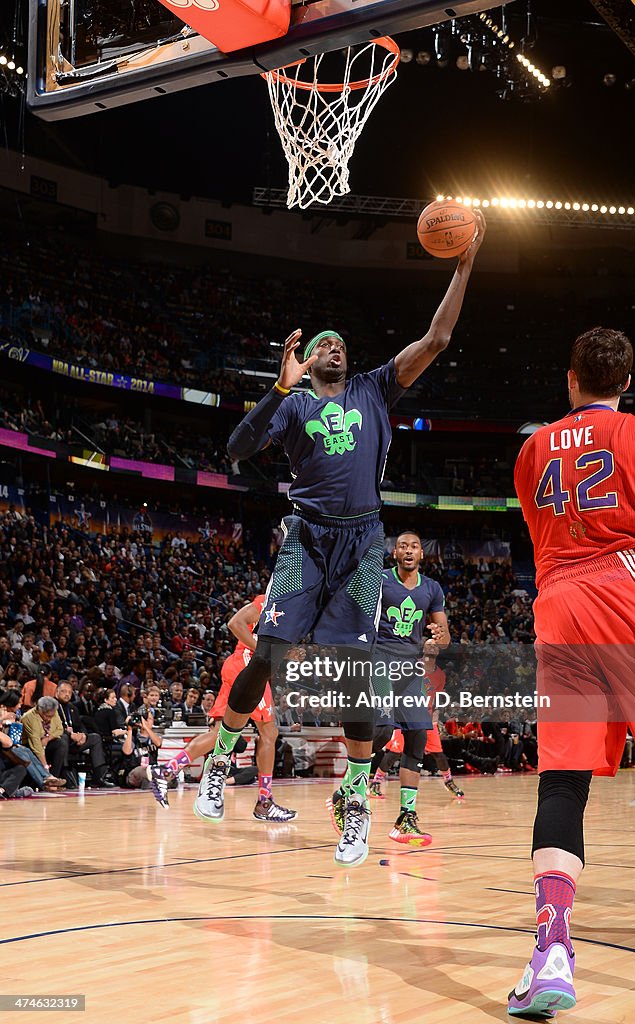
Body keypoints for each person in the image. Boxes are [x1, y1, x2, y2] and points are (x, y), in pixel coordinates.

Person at [194, 217, 486, 867]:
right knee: (266, 655)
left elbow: (437, 337)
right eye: (322, 341)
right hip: (304, 538)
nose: (333, 345)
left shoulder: (374, 388)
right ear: (306, 357)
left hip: (360, 546)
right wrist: (279, 385)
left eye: (340, 342)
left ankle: (353, 800)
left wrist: (464, 263)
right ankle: (218, 762)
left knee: (356, 682)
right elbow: (237, 449)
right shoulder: (294, 402)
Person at [509, 327, 635, 1017]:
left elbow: (539, 533)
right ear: (627, 383)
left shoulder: (530, 450)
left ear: (570, 380)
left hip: (558, 605)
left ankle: (550, 951)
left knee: (562, 783)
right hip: (630, 590)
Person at [148, 593, 296, 822]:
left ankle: (167, 770)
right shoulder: (270, 599)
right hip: (247, 664)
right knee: (269, 732)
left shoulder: (294, 609)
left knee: (219, 734)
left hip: (239, 665)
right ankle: (264, 801)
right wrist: (263, 652)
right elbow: (234, 623)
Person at [350, 532, 452, 847]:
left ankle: (406, 818)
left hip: (409, 669)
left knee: (418, 737)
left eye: (415, 546)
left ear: (422, 554)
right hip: (379, 661)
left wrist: (438, 636)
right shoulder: (379, 580)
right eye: (403, 546)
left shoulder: (432, 589)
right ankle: (348, 794)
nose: (409, 550)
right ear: (394, 553)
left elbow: (444, 636)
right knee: (381, 729)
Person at [369, 644, 464, 808]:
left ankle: (449, 781)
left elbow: (435, 696)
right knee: (395, 752)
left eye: (434, 646)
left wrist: (436, 714)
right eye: (429, 645)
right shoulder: (412, 666)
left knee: (438, 754)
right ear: (423, 649)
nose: (432, 648)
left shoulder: (440, 675)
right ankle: (375, 783)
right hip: (405, 714)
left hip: (426, 718)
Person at [56, 682, 115, 787]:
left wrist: (83, 735)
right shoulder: (52, 706)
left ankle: (98, 776)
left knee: (95, 738)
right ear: (57, 692)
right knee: (64, 738)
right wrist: (69, 735)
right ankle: (65, 774)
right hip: (59, 741)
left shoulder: (73, 708)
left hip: (75, 741)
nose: (67, 694)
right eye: (64, 691)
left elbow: (80, 725)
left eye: (69, 692)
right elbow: (52, 727)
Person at [20, 696, 69, 781]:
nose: (50, 719)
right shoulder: (29, 718)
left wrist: (48, 738)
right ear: (40, 711)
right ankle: (47, 778)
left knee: (62, 743)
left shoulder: (53, 711)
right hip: (30, 746)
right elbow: (36, 746)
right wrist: (45, 766)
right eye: (48, 716)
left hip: (46, 742)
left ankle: (54, 778)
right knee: (34, 752)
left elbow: (60, 730)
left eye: (52, 716)